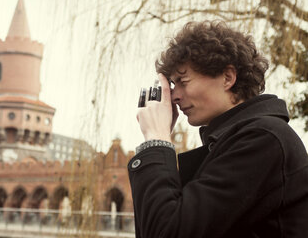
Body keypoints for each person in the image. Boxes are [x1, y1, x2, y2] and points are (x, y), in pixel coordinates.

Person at [129, 20, 308, 238]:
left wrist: (155, 141)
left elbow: (168, 231)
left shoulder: (263, 139)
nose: (174, 96)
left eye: (183, 81)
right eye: (172, 85)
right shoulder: (234, 142)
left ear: (227, 78)